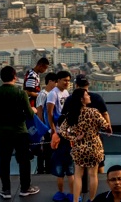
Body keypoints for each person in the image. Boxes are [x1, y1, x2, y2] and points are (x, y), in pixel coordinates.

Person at [0, 66, 40, 199]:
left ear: (1, 78)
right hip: (20, 132)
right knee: (24, 160)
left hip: (3, 132)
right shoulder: (20, 93)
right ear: (15, 77)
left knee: (4, 161)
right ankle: (25, 188)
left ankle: (6, 190)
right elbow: (29, 114)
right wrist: (34, 110)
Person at [59, 88, 110, 202]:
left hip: (79, 147)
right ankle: (92, 199)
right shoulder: (94, 112)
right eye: (87, 95)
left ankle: (76, 200)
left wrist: (73, 138)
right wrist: (107, 127)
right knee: (93, 175)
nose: (89, 96)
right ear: (82, 99)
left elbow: (62, 130)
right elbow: (104, 125)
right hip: (94, 146)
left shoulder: (72, 114)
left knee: (78, 175)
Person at [74, 74, 112, 173]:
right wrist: (108, 127)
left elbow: (65, 117)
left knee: (79, 170)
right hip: (95, 138)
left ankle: (80, 188)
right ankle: (99, 186)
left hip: (78, 138)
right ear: (88, 84)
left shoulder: (71, 99)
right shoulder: (96, 98)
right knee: (98, 166)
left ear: (76, 85)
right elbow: (105, 114)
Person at [47, 70, 74, 202]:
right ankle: (61, 192)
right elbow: (50, 113)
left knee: (69, 165)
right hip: (58, 132)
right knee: (60, 165)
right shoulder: (53, 94)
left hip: (67, 132)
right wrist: (53, 129)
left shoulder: (66, 93)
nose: (67, 82)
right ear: (58, 80)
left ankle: (72, 193)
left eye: (68, 80)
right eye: (65, 80)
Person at [35, 72, 57, 175]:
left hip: (51, 127)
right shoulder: (43, 94)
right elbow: (39, 111)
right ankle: (43, 170)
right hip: (45, 128)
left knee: (50, 150)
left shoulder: (53, 94)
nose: (56, 84)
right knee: (44, 150)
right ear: (50, 81)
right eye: (55, 82)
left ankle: (50, 168)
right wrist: (42, 128)